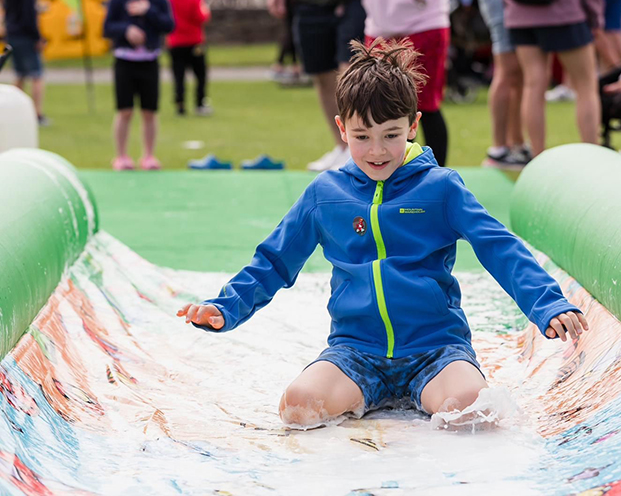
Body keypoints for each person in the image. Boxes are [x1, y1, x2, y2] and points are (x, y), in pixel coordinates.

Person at [177, 39, 589, 428]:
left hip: (436, 350)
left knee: (470, 411)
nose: (377, 151)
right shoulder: (326, 194)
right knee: (298, 407)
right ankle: (366, 395)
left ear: (413, 125)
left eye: (391, 135)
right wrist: (225, 308)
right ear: (342, 128)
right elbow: (274, 260)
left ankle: (426, 393)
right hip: (355, 352)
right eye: (362, 137)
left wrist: (546, 304)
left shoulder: (441, 189)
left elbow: (498, 246)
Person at [267, 0, 366, 172]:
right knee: (322, 75)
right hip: (309, 4)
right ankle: (342, 146)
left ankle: (358, 148)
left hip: (353, 2)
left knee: (351, 74)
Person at [504, 0, 604, 157]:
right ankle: (593, 157)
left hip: (520, 17)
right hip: (565, 15)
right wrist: (595, 18)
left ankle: (537, 157)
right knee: (586, 85)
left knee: (532, 85)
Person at [362, 0, 451, 167]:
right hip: (379, 27)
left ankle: (437, 177)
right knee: (383, 108)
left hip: (425, 24)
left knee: (425, 105)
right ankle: (395, 175)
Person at [104, 0, 174, 171]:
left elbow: (169, 25)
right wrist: (126, 30)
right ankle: (121, 156)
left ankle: (149, 156)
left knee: (149, 111)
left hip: (149, 61)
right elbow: (107, 27)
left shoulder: (158, 0)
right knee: (124, 110)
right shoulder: (118, 0)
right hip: (124, 61)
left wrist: (148, 11)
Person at [477, 0, 530, 169]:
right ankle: (498, 150)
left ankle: (517, 143)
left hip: (511, 4)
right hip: (501, 3)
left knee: (517, 75)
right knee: (506, 72)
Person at [1, 0, 50, 125]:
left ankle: (13, 111)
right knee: (37, 76)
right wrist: (37, 37)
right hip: (26, 37)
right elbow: (29, 16)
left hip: (12, 34)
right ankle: (36, 114)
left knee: (20, 75)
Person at [167, 0, 211, 116]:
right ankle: (200, 103)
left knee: (178, 75)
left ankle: (180, 104)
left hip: (175, 42)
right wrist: (206, 11)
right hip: (194, 42)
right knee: (200, 74)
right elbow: (200, 17)